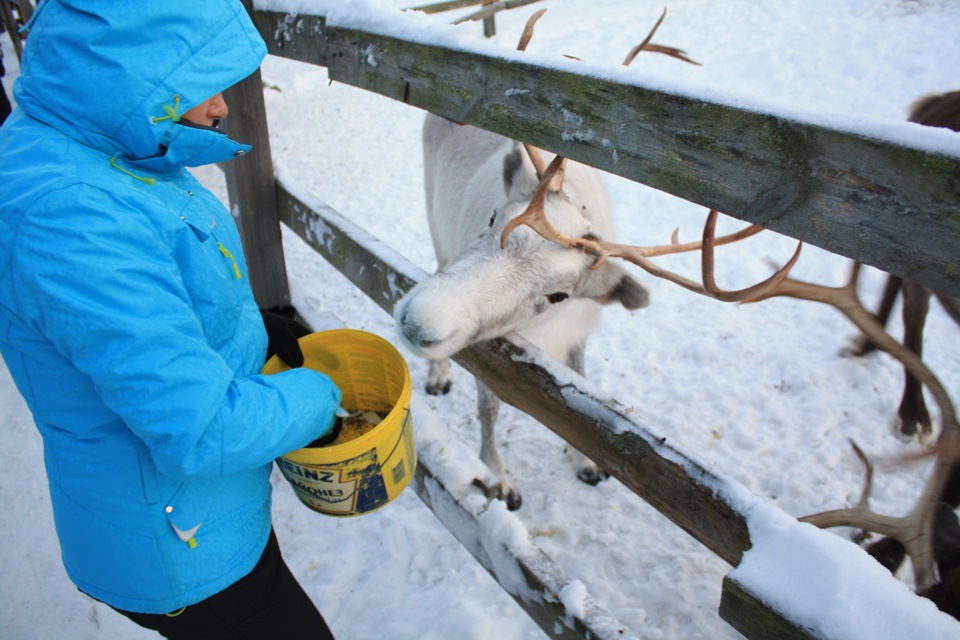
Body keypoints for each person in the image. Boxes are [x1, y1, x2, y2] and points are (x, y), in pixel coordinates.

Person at [0, 1, 342, 638]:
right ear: (131, 70)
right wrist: (326, 397)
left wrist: (257, 330)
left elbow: (157, 296)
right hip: (177, 543)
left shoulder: (101, 148)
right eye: (200, 82)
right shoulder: (72, 216)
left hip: (184, 515)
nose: (221, 107)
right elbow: (203, 431)